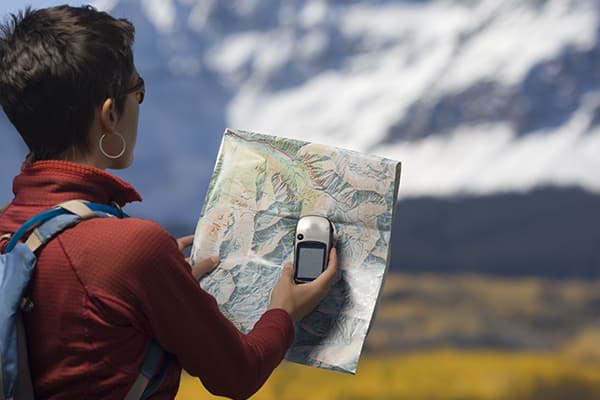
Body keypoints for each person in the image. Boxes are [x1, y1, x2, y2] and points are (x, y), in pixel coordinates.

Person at [0, 5, 338, 399]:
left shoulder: (10, 229)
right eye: (137, 91)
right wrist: (285, 310)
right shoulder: (133, 249)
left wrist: (158, 281)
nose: (140, 105)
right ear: (109, 114)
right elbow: (238, 374)